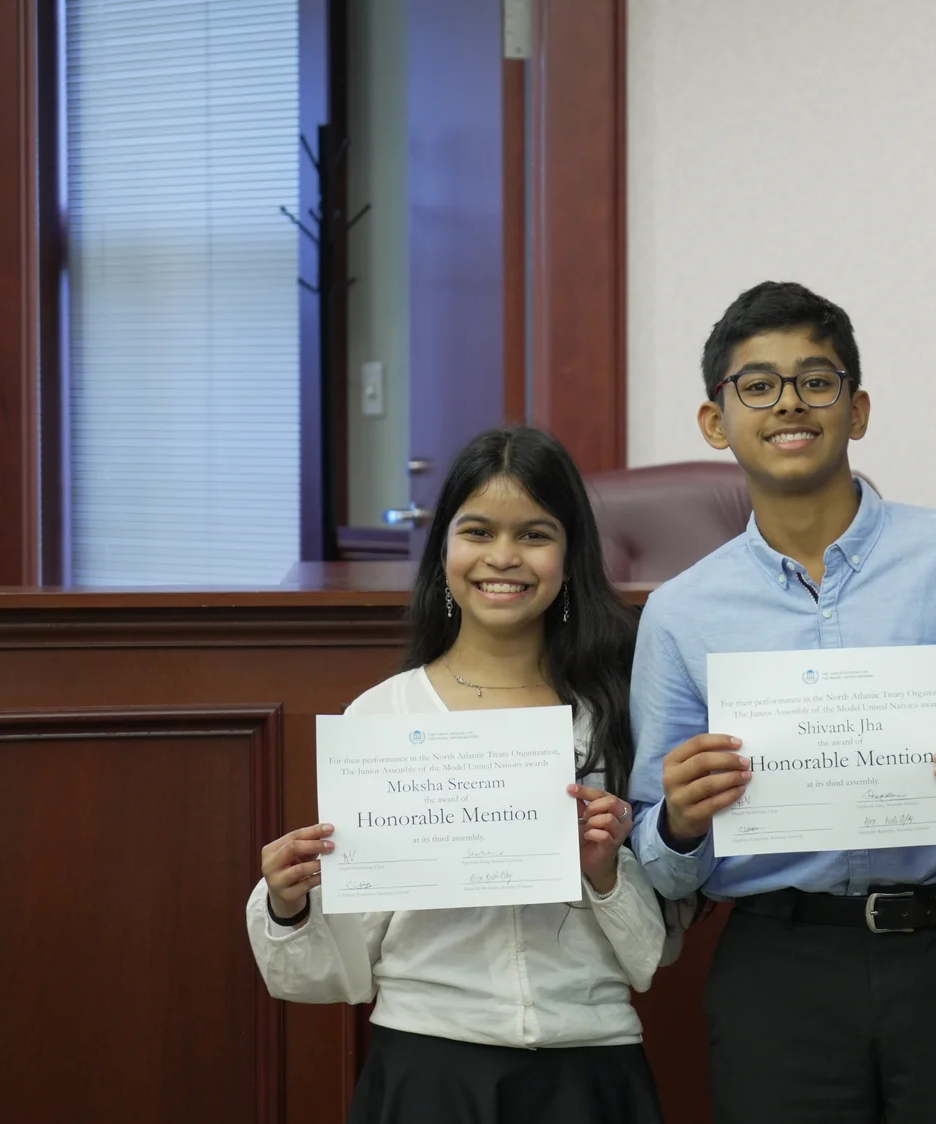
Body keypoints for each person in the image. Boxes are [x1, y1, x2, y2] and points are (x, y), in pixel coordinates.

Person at [625, 281, 936, 1123]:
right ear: (715, 422)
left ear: (857, 409)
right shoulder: (682, 611)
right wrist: (680, 821)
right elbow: (654, 848)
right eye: (756, 384)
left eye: (816, 380)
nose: (789, 403)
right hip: (780, 970)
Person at [247, 427, 668, 1124]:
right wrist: (288, 902)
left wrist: (604, 871)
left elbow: (650, 958)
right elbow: (330, 974)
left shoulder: (615, 712)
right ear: (444, 546)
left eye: (534, 534)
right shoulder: (383, 715)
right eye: (477, 531)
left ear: (570, 553)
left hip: (591, 1063)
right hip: (427, 1063)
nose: (503, 557)